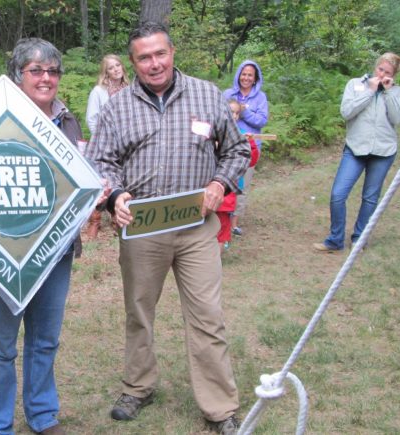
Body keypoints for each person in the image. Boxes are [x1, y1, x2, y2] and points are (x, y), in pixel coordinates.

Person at [86, 22, 249, 435]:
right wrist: (115, 195)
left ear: (172, 52)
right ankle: (138, 386)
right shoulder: (116, 107)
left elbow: (236, 150)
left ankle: (219, 407)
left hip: (196, 224)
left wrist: (218, 183)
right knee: (139, 311)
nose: (154, 63)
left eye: (160, 54)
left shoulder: (207, 94)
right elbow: (101, 163)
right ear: (133, 63)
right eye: (144, 57)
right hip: (142, 227)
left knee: (208, 316)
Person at [0, 38, 100, 435]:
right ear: (18, 78)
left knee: (45, 339)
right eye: (36, 70)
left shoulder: (68, 121)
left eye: (53, 71)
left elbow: (78, 180)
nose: (46, 78)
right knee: (0, 344)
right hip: (5, 251)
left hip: (55, 250)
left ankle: (43, 415)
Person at [313, 52, 400, 252]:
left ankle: (359, 238)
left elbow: (399, 119)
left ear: (394, 75)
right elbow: (346, 112)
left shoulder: (396, 92)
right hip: (355, 148)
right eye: (380, 69)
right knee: (338, 194)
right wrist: (369, 92)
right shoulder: (355, 84)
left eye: (387, 72)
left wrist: (388, 92)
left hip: (383, 151)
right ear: (375, 67)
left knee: (370, 197)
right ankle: (335, 240)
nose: (382, 74)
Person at [84, 54, 130, 238]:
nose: (116, 69)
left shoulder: (131, 89)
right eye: (111, 67)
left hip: (126, 143)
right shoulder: (99, 91)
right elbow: (92, 118)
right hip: (105, 143)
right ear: (106, 72)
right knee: (101, 180)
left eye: (118, 65)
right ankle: (94, 221)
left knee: (122, 178)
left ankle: (117, 218)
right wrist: (102, 140)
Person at [222, 60, 268, 237]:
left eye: (250, 75)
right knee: (225, 182)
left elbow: (262, 120)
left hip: (250, 148)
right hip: (226, 146)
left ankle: (234, 224)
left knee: (242, 186)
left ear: (255, 78)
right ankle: (220, 220)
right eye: (244, 74)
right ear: (238, 75)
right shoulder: (227, 94)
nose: (246, 78)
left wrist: (244, 111)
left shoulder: (260, 98)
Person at [217, 99, 259, 251]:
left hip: (230, 190)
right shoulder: (212, 132)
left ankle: (218, 252)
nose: (233, 116)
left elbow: (251, 160)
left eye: (236, 113)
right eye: (230, 112)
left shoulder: (242, 136)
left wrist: (251, 145)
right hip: (210, 189)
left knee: (223, 225)